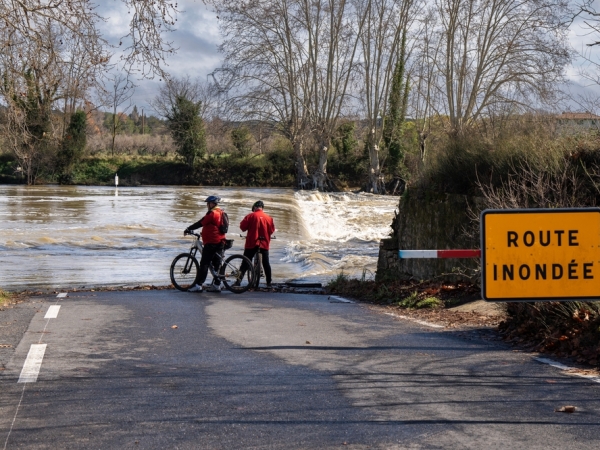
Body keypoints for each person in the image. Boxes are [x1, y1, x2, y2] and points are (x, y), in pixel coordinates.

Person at [184, 195, 226, 292]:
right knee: (216, 264)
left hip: (212, 242)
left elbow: (201, 222)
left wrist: (188, 228)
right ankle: (216, 285)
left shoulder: (212, 213)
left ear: (212, 204)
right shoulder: (221, 212)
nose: (207, 205)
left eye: (208, 203)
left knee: (204, 264)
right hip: (221, 241)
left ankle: (198, 285)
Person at [239, 200, 276, 288]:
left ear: (255, 208)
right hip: (264, 243)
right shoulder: (269, 218)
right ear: (262, 208)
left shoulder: (250, 216)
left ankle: (238, 281)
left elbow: (242, 227)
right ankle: (269, 282)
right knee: (266, 263)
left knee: (245, 262)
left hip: (252, 242)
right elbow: (271, 231)